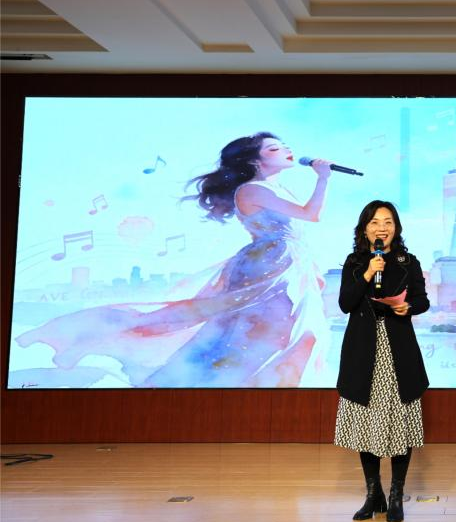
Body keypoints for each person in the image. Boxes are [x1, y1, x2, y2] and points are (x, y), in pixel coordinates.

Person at [16, 132, 334, 388]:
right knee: (248, 328)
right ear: (255, 160)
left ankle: (270, 384)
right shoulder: (252, 189)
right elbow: (312, 214)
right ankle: (92, 341)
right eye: (275, 148)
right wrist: (323, 177)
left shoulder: (275, 189)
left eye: (284, 146)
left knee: (281, 328)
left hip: (287, 263)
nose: (287, 150)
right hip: (269, 264)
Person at [334, 200, 430, 522]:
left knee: (400, 422)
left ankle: (396, 495)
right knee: (366, 423)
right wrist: (367, 273)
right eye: (375, 222)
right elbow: (346, 303)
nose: (382, 228)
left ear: (396, 228)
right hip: (363, 349)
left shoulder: (408, 262)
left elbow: (422, 300)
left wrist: (408, 308)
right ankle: (373, 495)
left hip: (398, 347)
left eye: (388, 222)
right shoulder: (355, 262)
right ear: (365, 229)